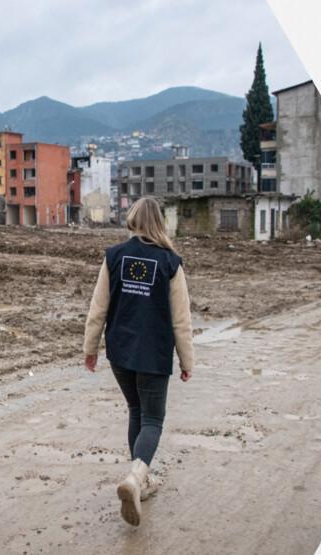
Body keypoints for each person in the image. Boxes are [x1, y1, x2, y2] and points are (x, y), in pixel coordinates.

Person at [83, 197, 194, 526]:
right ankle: (135, 478)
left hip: (120, 351)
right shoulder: (171, 262)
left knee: (136, 411)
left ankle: (141, 481)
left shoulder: (114, 256)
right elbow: (181, 321)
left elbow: (98, 308)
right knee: (153, 421)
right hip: (154, 355)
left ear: (132, 221)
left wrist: (90, 348)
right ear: (160, 224)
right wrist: (187, 360)